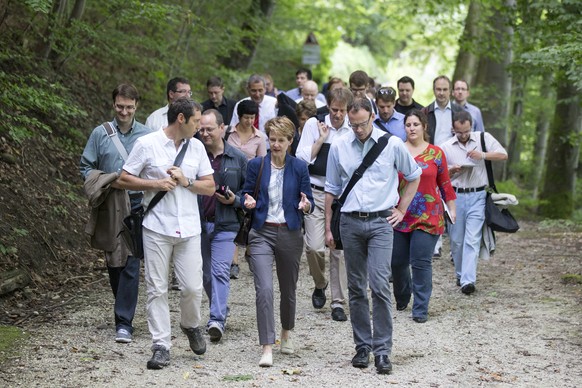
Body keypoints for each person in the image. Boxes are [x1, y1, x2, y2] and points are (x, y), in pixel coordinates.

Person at [117, 98, 216, 369]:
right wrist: (155, 183)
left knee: (193, 288)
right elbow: (123, 178)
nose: (200, 127)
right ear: (181, 119)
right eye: (196, 121)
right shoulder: (147, 144)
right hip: (156, 227)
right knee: (157, 288)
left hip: (190, 228)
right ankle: (161, 344)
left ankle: (190, 324)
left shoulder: (196, 147)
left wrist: (187, 181)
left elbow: (209, 187)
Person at [324, 98, 421, 375]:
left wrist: (402, 209)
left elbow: (413, 175)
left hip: (381, 222)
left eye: (362, 124)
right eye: (353, 125)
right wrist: (329, 227)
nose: (358, 129)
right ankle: (362, 347)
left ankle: (382, 351)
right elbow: (331, 189)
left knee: (379, 284)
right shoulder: (339, 146)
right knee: (355, 287)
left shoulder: (391, 144)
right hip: (351, 223)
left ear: (372, 117)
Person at [80, 83, 153, 344]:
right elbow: (86, 165)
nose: (124, 111)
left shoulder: (147, 135)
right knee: (114, 261)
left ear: (137, 107)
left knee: (132, 261)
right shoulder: (100, 134)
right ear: (114, 104)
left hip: (137, 206)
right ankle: (123, 310)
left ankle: (124, 322)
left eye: (129, 107)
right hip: (110, 205)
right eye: (120, 106)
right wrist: (102, 180)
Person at [242, 116, 314, 367]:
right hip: (262, 231)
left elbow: (310, 200)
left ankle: (287, 331)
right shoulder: (256, 165)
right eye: (272, 139)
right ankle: (267, 346)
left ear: (290, 141)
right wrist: (247, 201)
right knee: (264, 289)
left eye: (280, 140)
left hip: (290, 232)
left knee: (288, 289)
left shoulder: (299, 167)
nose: (275, 144)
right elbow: (245, 193)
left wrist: (305, 205)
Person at [391, 109, 457, 323]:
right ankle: (403, 294)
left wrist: (452, 208)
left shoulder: (436, 153)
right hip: (400, 215)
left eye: (415, 124)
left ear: (424, 127)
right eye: (408, 125)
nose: (411, 128)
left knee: (420, 262)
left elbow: (445, 183)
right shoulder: (397, 150)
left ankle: (420, 308)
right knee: (397, 261)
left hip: (429, 215)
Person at [296, 87, 353, 321]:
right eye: (334, 110)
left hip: (342, 195)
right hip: (316, 192)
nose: (338, 114)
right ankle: (320, 283)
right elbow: (301, 158)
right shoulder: (314, 124)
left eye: (342, 110)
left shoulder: (353, 128)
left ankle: (337, 302)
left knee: (338, 251)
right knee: (314, 247)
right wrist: (321, 139)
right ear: (327, 107)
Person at [440, 111, 507, 295]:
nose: (464, 135)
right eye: (460, 132)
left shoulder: (483, 138)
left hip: (478, 194)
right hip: (455, 197)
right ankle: (461, 274)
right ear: (453, 129)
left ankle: (468, 281)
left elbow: (503, 155)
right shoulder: (446, 147)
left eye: (467, 131)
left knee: (472, 239)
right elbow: (439, 173)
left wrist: (483, 155)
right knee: (456, 240)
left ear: (472, 126)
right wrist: (451, 170)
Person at [198, 109, 247, 342]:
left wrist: (234, 200)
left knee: (219, 272)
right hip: (197, 224)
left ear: (222, 128)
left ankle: (216, 319)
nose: (205, 133)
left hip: (226, 225)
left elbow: (247, 195)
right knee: (206, 276)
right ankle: (220, 307)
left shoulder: (237, 158)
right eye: (202, 129)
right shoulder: (194, 154)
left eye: (209, 129)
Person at [226, 99, 267, 279]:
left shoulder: (260, 137)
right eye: (246, 117)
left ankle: (250, 252)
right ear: (239, 117)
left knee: (249, 219)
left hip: (251, 182)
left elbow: (263, 162)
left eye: (252, 118)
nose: (249, 121)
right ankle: (233, 262)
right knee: (234, 219)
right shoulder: (229, 133)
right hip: (232, 180)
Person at [230, 74, 278, 146]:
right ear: (248, 90)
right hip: (246, 147)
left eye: (260, 90)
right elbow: (233, 128)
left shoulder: (274, 104)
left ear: (265, 89)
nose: (257, 94)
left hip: (269, 147)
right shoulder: (240, 105)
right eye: (254, 91)